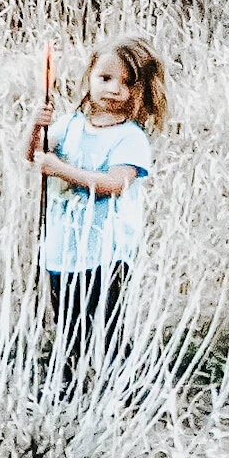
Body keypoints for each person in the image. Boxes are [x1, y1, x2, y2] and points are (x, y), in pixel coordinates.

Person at [27, 37, 166, 384]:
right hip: (63, 247)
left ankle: (130, 386)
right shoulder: (73, 124)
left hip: (106, 250)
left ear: (142, 90)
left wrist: (59, 169)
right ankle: (69, 384)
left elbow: (114, 183)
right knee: (68, 325)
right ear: (90, 77)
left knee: (105, 325)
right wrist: (35, 126)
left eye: (128, 82)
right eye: (106, 78)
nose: (115, 89)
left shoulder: (130, 138)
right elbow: (33, 155)